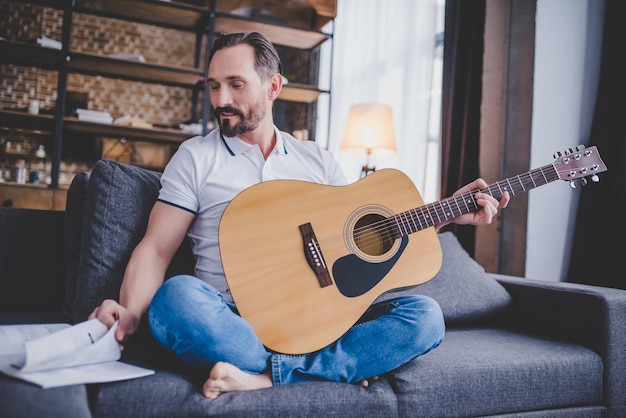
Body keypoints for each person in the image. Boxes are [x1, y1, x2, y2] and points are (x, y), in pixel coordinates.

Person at [89, 31, 509, 399]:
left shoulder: (318, 161)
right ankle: (320, 371)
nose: (221, 100)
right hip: (235, 321)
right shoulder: (196, 157)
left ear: (273, 87)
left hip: (323, 320)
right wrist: (132, 311)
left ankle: (266, 377)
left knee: (425, 317)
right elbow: (157, 249)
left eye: (236, 85)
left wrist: (447, 215)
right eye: (214, 86)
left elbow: (359, 240)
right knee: (176, 300)